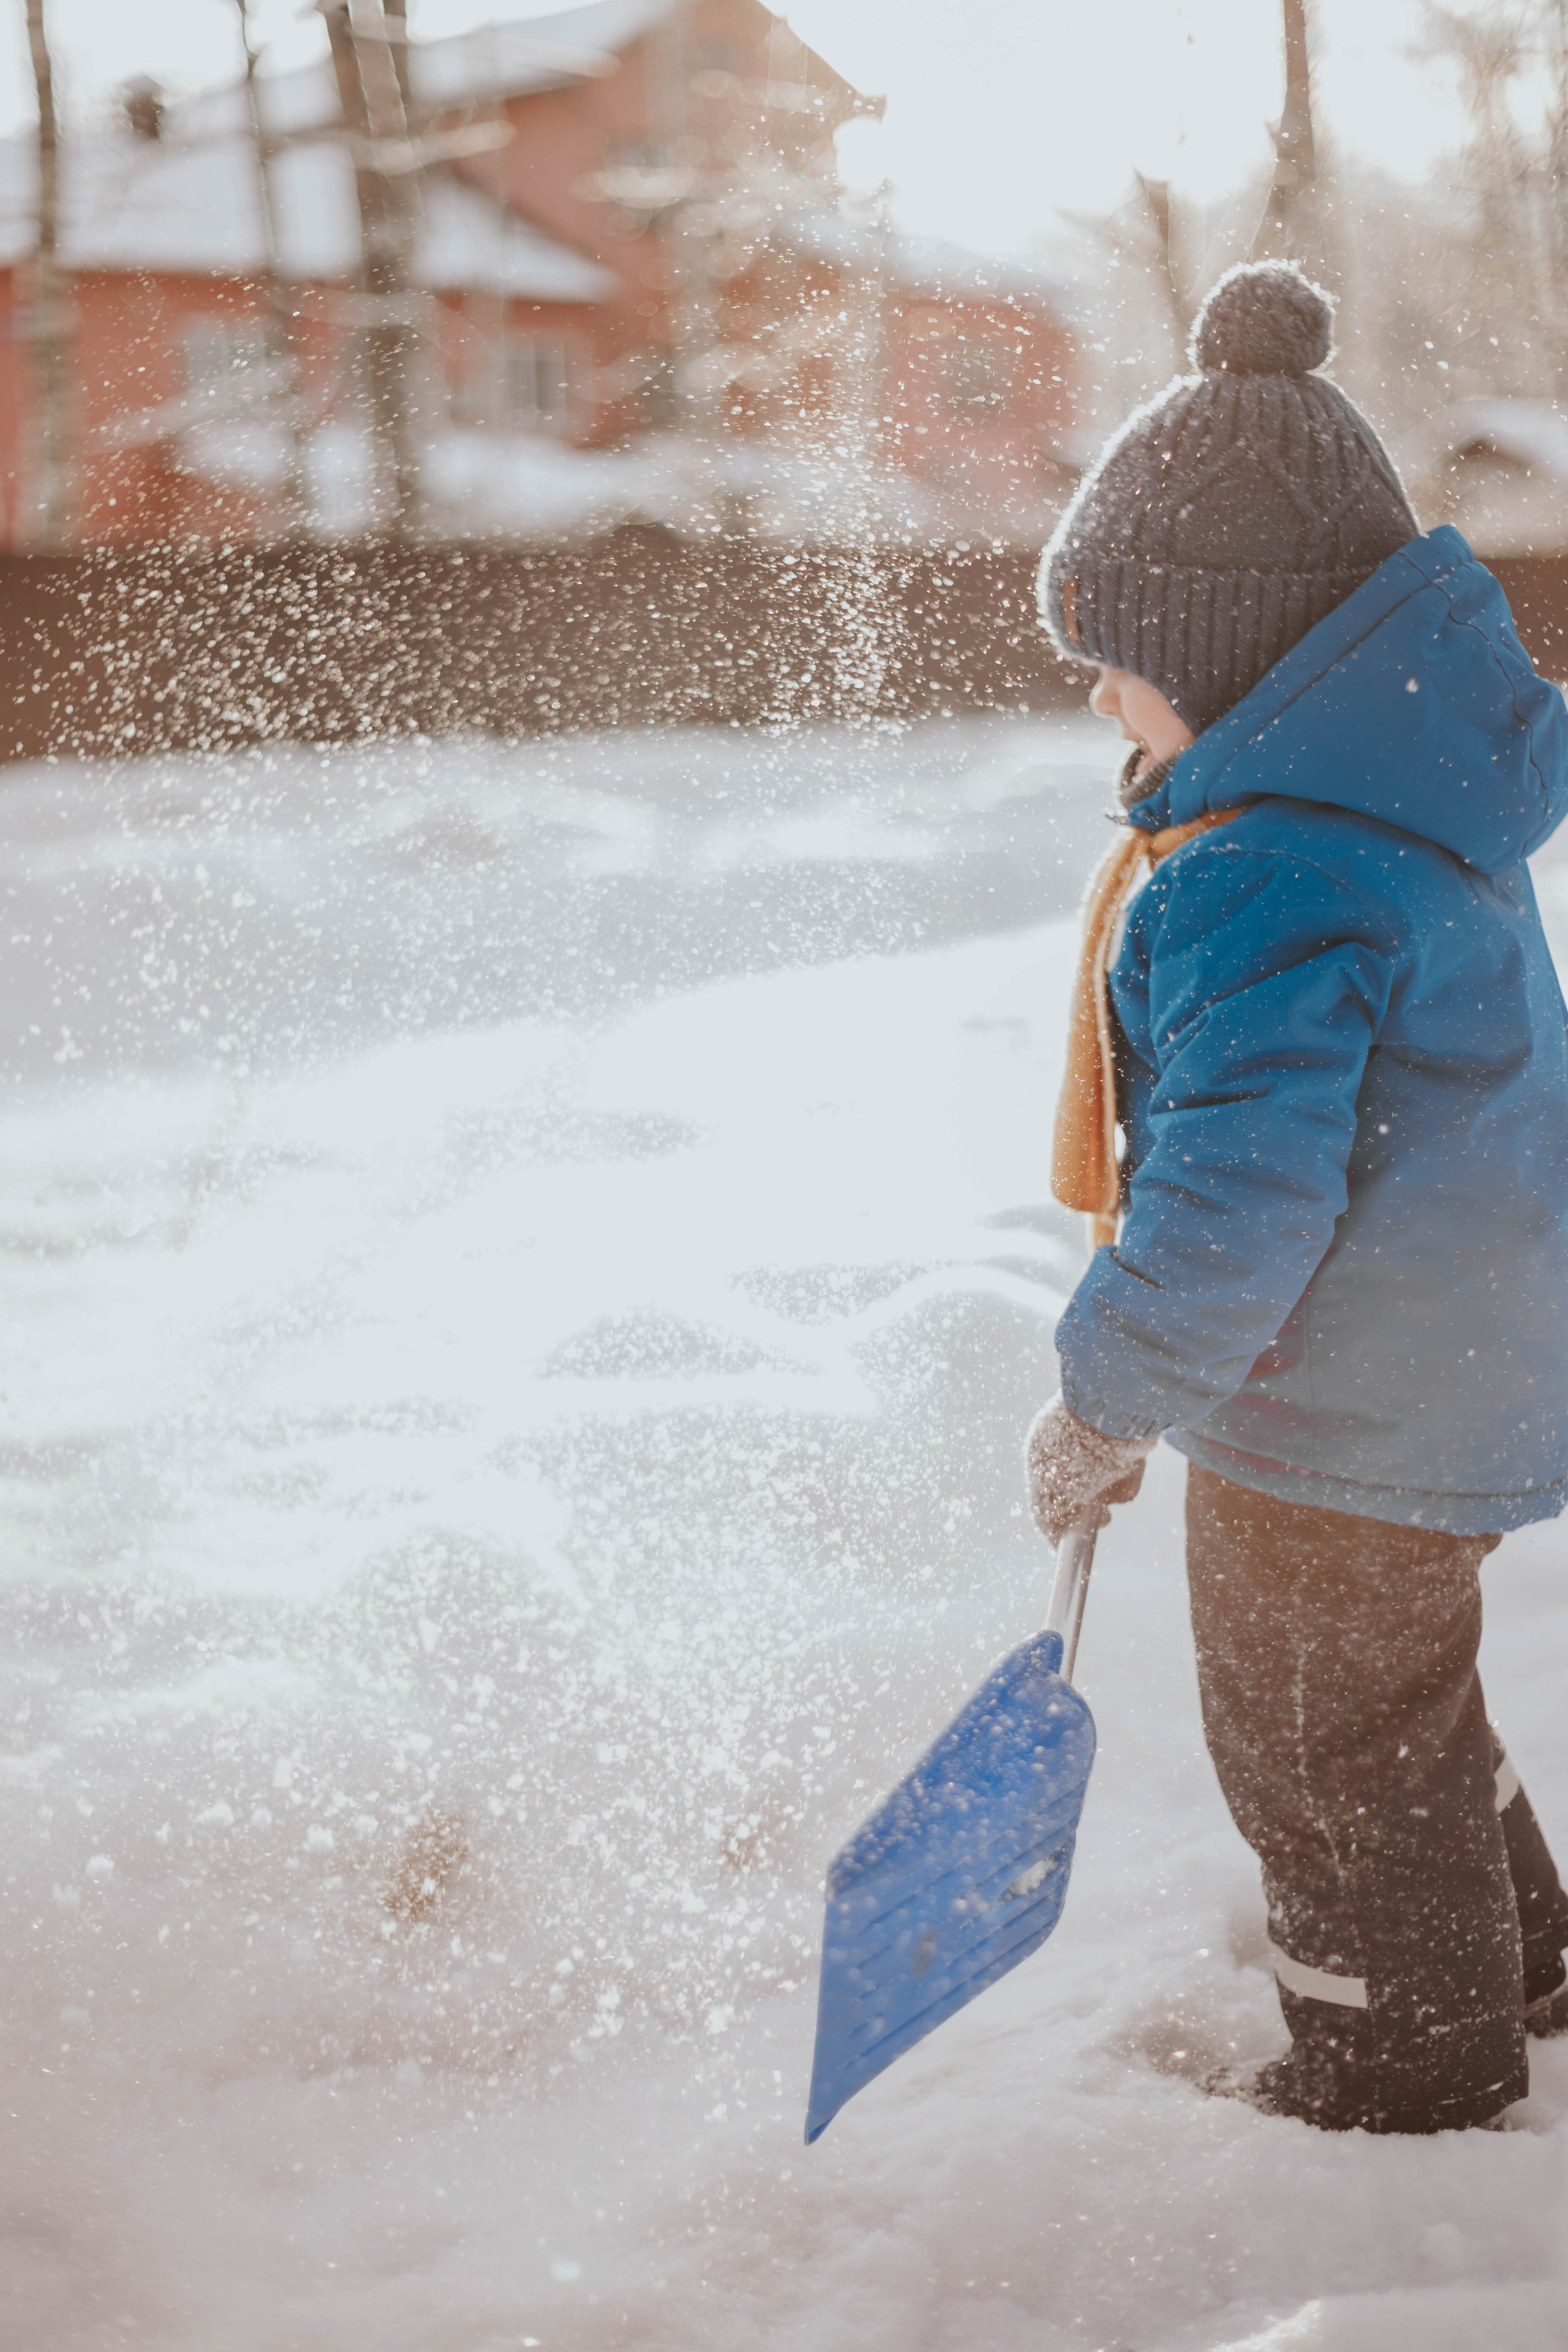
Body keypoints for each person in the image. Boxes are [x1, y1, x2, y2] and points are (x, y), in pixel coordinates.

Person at [1025, 259, 1568, 2135]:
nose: (1100, 692)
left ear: (1238, 648)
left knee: (1322, 1743)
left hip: (1339, 1409)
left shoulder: (1265, 871)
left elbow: (1235, 1194)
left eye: (1120, 651)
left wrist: (1110, 1391)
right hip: (1469, 1358)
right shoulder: (1412, 808)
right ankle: (1526, 1961)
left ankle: (1400, 2066)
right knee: (1399, 1702)